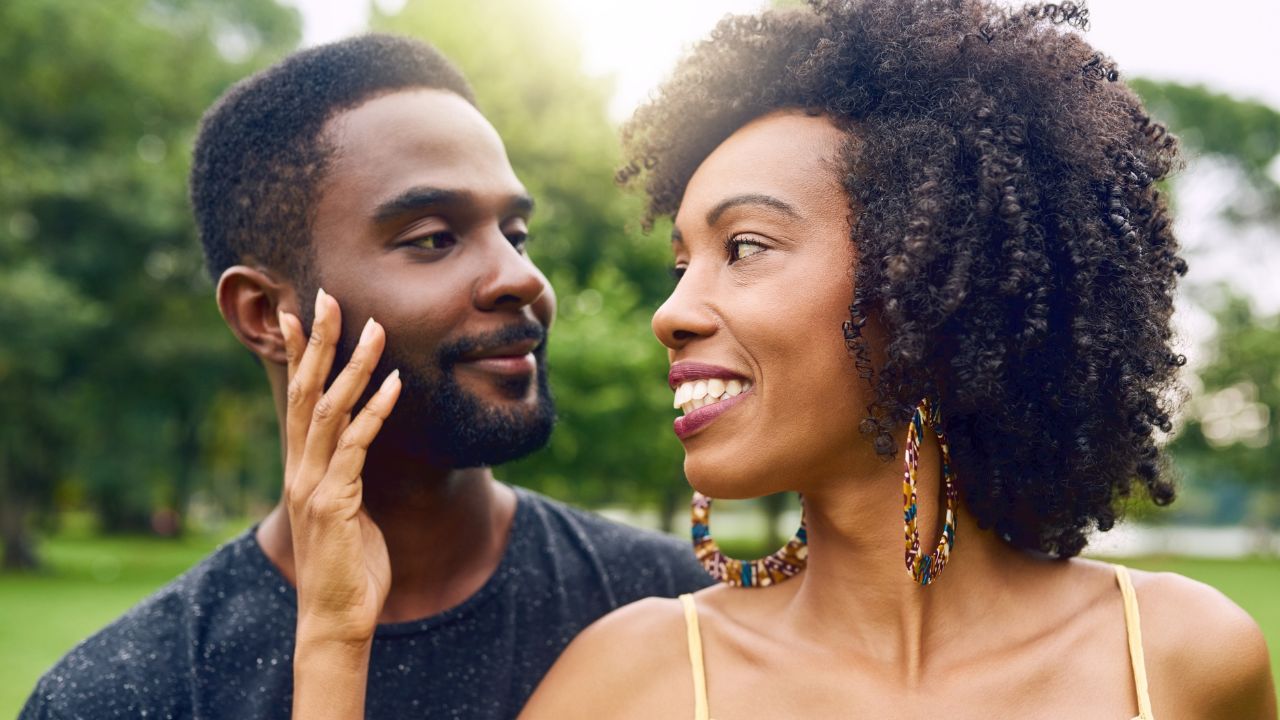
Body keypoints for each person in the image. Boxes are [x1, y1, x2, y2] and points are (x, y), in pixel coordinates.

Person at [285, 1, 1277, 718]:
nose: (672, 311)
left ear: (928, 279)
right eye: (679, 262)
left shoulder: (1182, 658)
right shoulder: (639, 683)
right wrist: (333, 640)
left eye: (743, 248)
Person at [19, 34, 710, 720]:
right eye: (434, 238)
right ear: (263, 313)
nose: (522, 277)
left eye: (516, 233)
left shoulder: (680, 608)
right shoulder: (122, 696)